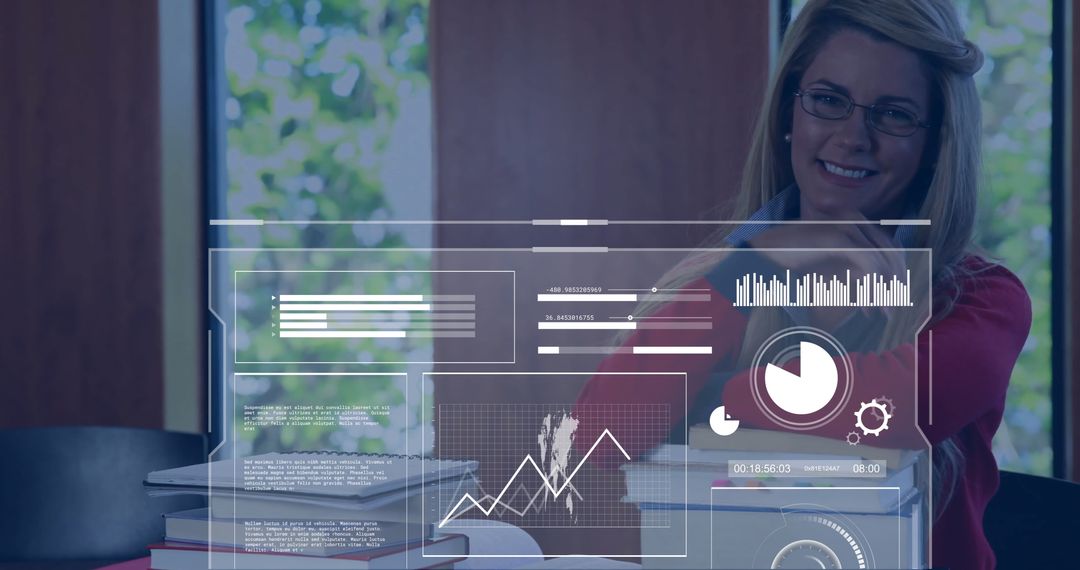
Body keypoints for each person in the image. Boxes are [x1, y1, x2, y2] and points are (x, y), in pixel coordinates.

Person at [572, 1, 1031, 568]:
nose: (852, 137)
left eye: (893, 115)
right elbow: (599, 435)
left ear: (936, 145)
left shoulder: (984, 300)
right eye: (829, 100)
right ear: (791, 113)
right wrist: (751, 267)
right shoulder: (714, 281)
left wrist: (709, 399)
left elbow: (883, 410)